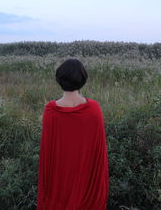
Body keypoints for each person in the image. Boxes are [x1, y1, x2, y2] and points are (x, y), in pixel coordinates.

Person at [36, 58, 109, 210]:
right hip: (86, 184)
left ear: (59, 79)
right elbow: (98, 154)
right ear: (83, 80)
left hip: (59, 184)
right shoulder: (94, 109)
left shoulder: (51, 111)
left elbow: (48, 156)